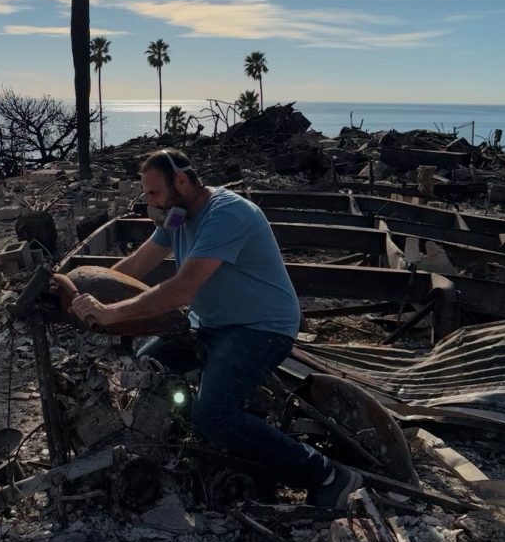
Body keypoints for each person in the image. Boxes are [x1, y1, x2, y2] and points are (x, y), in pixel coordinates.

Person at [70, 149, 363, 508]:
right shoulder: (176, 216)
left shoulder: (226, 214)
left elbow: (182, 288)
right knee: (148, 372)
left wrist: (112, 313)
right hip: (209, 324)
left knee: (213, 414)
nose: (150, 203)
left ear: (181, 181)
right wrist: (83, 292)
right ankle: (189, 450)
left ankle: (327, 475)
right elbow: (136, 265)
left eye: (155, 193)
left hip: (260, 328)